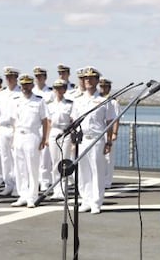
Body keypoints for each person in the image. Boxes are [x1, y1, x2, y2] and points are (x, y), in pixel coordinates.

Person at [71, 66, 115, 214]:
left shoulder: (103, 100)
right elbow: (74, 122)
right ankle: (86, 199)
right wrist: (73, 142)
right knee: (83, 172)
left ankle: (96, 202)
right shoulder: (78, 101)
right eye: (85, 78)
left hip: (97, 140)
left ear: (97, 81)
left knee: (97, 171)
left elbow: (109, 122)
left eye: (91, 78)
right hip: (82, 140)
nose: (88, 81)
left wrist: (108, 142)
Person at [10, 74, 49, 208]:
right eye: (23, 85)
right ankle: (23, 195)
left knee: (32, 168)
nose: (25, 87)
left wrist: (44, 138)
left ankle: (32, 196)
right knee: (20, 168)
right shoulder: (16, 100)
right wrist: (13, 139)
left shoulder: (39, 101)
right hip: (19, 136)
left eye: (27, 85)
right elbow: (15, 121)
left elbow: (45, 121)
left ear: (32, 86)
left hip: (32, 136)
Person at [0, 66, 21, 196]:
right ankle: (8, 184)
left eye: (11, 77)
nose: (9, 79)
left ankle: (18, 185)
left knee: (16, 158)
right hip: (2, 128)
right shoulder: (2, 94)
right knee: (5, 159)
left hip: (14, 128)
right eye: (7, 77)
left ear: (16, 78)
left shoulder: (20, 93)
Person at [47, 79, 74, 200]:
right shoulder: (50, 104)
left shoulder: (69, 104)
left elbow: (72, 121)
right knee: (54, 162)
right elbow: (48, 122)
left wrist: (72, 137)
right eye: (56, 88)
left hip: (65, 132)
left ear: (64, 90)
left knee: (64, 162)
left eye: (61, 88)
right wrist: (47, 137)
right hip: (54, 132)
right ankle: (56, 189)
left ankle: (63, 189)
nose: (58, 91)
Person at [32, 66, 53, 192]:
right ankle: (36, 180)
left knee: (45, 157)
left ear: (45, 78)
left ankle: (45, 181)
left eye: (40, 76)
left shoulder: (50, 93)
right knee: (33, 156)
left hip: (45, 126)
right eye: (36, 76)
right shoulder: (31, 91)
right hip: (34, 128)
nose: (38, 78)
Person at [98, 77, 120, 189]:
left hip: (109, 133)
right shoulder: (98, 100)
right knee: (100, 158)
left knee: (109, 159)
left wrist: (115, 133)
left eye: (105, 86)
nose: (103, 89)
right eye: (101, 86)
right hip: (99, 133)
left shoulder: (113, 101)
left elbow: (116, 119)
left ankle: (107, 181)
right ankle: (101, 179)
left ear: (109, 88)